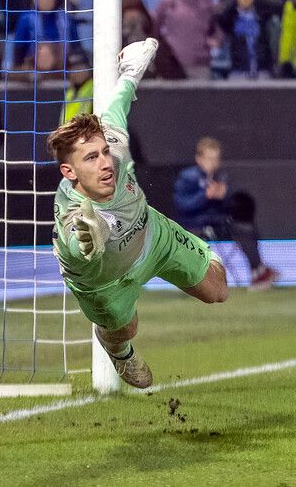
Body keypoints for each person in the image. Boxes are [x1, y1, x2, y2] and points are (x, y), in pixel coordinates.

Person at [48, 39, 228, 389]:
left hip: (152, 235)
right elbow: (77, 240)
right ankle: (118, 349)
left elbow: (117, 103)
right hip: (105, 283)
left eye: (103, 152)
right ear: (69, 173)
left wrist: (132, 71)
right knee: (125, 328)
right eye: (90, 159)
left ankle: (196, 251)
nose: (104, 163)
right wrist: (89, 237)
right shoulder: (71, 215)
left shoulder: (113, 146)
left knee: (217, 291)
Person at [173, 137, 279, 291]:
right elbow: (181, 204)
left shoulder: (221, 176)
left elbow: (228, 205)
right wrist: (205, 196)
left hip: (217, 222)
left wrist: (225, 196)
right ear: (199, 159)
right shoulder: (188, 177)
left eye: (216, 159)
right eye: (209, 158)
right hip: (194, 224)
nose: (213, 163)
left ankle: (258, 272)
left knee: (244, 227)